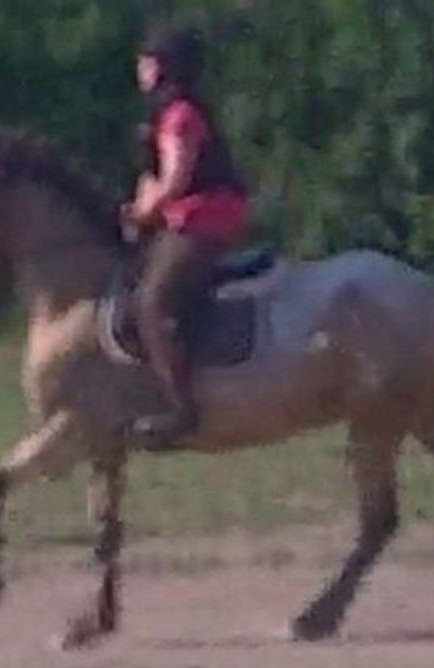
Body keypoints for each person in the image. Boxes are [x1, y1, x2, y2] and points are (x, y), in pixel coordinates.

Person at [121, 22, 250, 446]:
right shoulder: (163, 114)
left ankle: (181, 409)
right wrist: (139, 209)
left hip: (205, 216)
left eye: (147, 61)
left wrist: (143, 215)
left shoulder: (180, 116)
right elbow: (153, 179)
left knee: (151, 300)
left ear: (163, 67)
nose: (139, 68)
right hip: (184, 215)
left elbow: (175, 181)